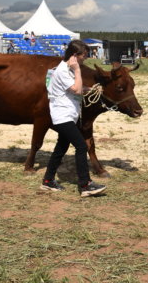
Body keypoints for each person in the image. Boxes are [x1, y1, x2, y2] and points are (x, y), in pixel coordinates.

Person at [41, 40, 106, 197]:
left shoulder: (67, 70)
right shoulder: (64, 71)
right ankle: (85, 185)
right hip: (63, 117)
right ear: (74, 55)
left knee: (60, 148)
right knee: (82, 147)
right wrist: (77, 70)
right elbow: (76, 89)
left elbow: (76, 88)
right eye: (84, 55)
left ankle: (48, 181)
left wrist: (89, 89)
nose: (86, 58)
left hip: (68, 116)